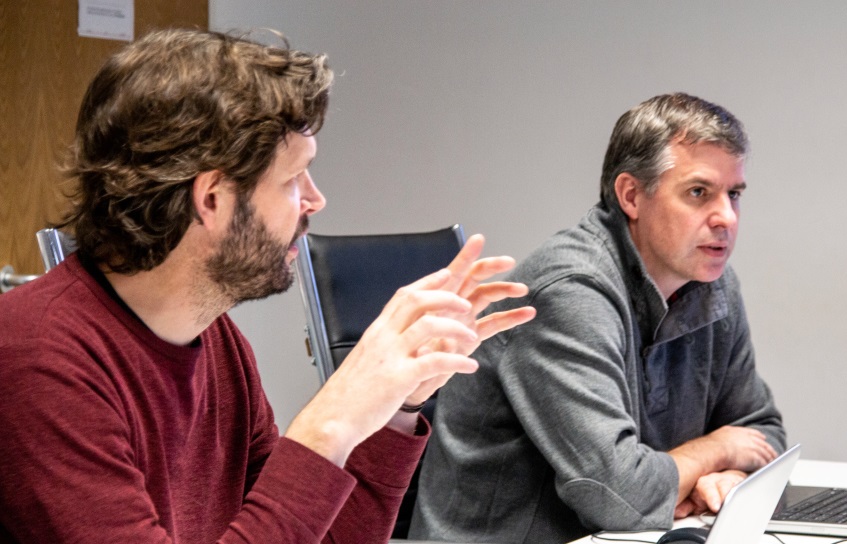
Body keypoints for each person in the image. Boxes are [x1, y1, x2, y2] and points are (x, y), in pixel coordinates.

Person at [0, 28, 535, 543]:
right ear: (210, 198)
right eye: (292, 179)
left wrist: (397, 405)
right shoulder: (37, 358)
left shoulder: (217, 340)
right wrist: (330, 420)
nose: (314, 199)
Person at [410, 92, 786, 543]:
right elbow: (619, 495)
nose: (726, 217)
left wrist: (725, 479)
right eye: (698, 193)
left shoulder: (713, 284)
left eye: (735, 194)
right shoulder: (569, 290)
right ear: (631, 195)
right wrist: (716, 449)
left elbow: (764, 432)